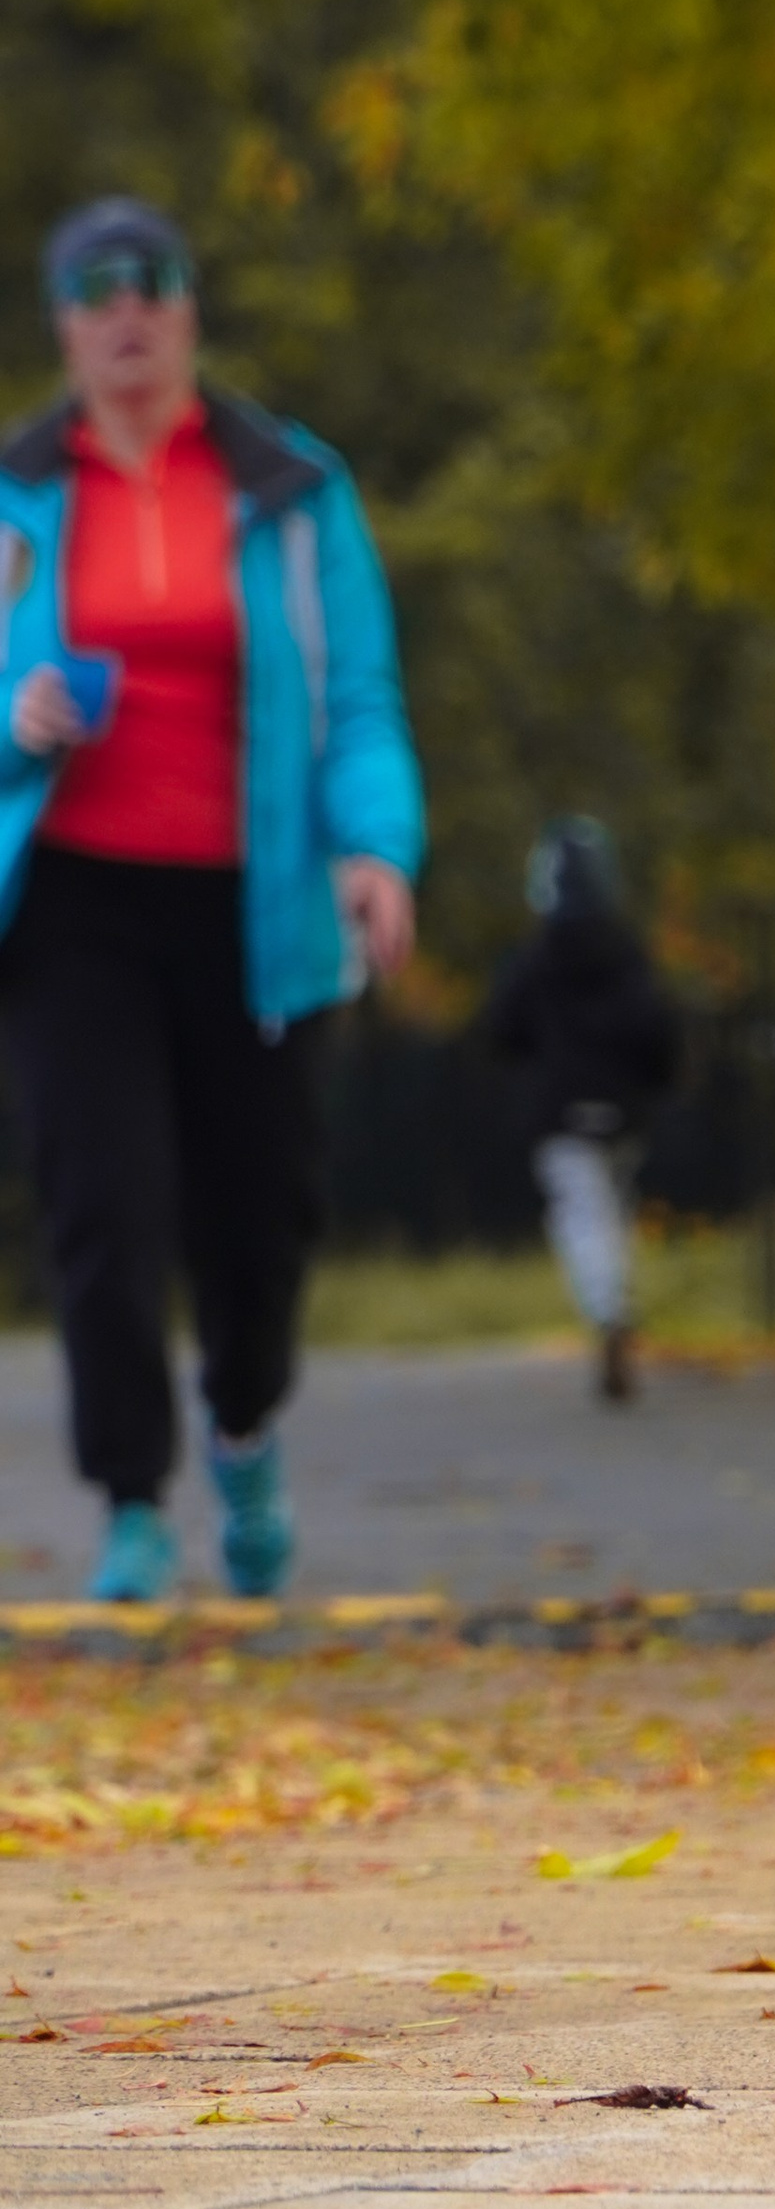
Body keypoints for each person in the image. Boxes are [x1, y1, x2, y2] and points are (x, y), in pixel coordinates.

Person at [0, 198, 424, 1603]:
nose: (126, 312)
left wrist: (374, 851)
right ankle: (132, 1501)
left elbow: (358, 695)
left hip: (262, 908)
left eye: (154, 283)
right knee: (102, 1204)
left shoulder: (291, 491)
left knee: (260, 1218)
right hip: (72, 907)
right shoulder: (18, 495)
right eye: (95, 289)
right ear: (63, 322)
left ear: (188, 309)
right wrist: (19, 713)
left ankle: (243, 1431)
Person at [484, 815, 680, 1403]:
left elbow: (502, 1030)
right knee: (612, 1211)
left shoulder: (534, 959)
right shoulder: (629, 955)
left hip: (559, 1112)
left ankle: (607, 1310)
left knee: (580, 1215)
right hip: (623, 1112)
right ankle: (615, 1306)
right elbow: (658, 1032)